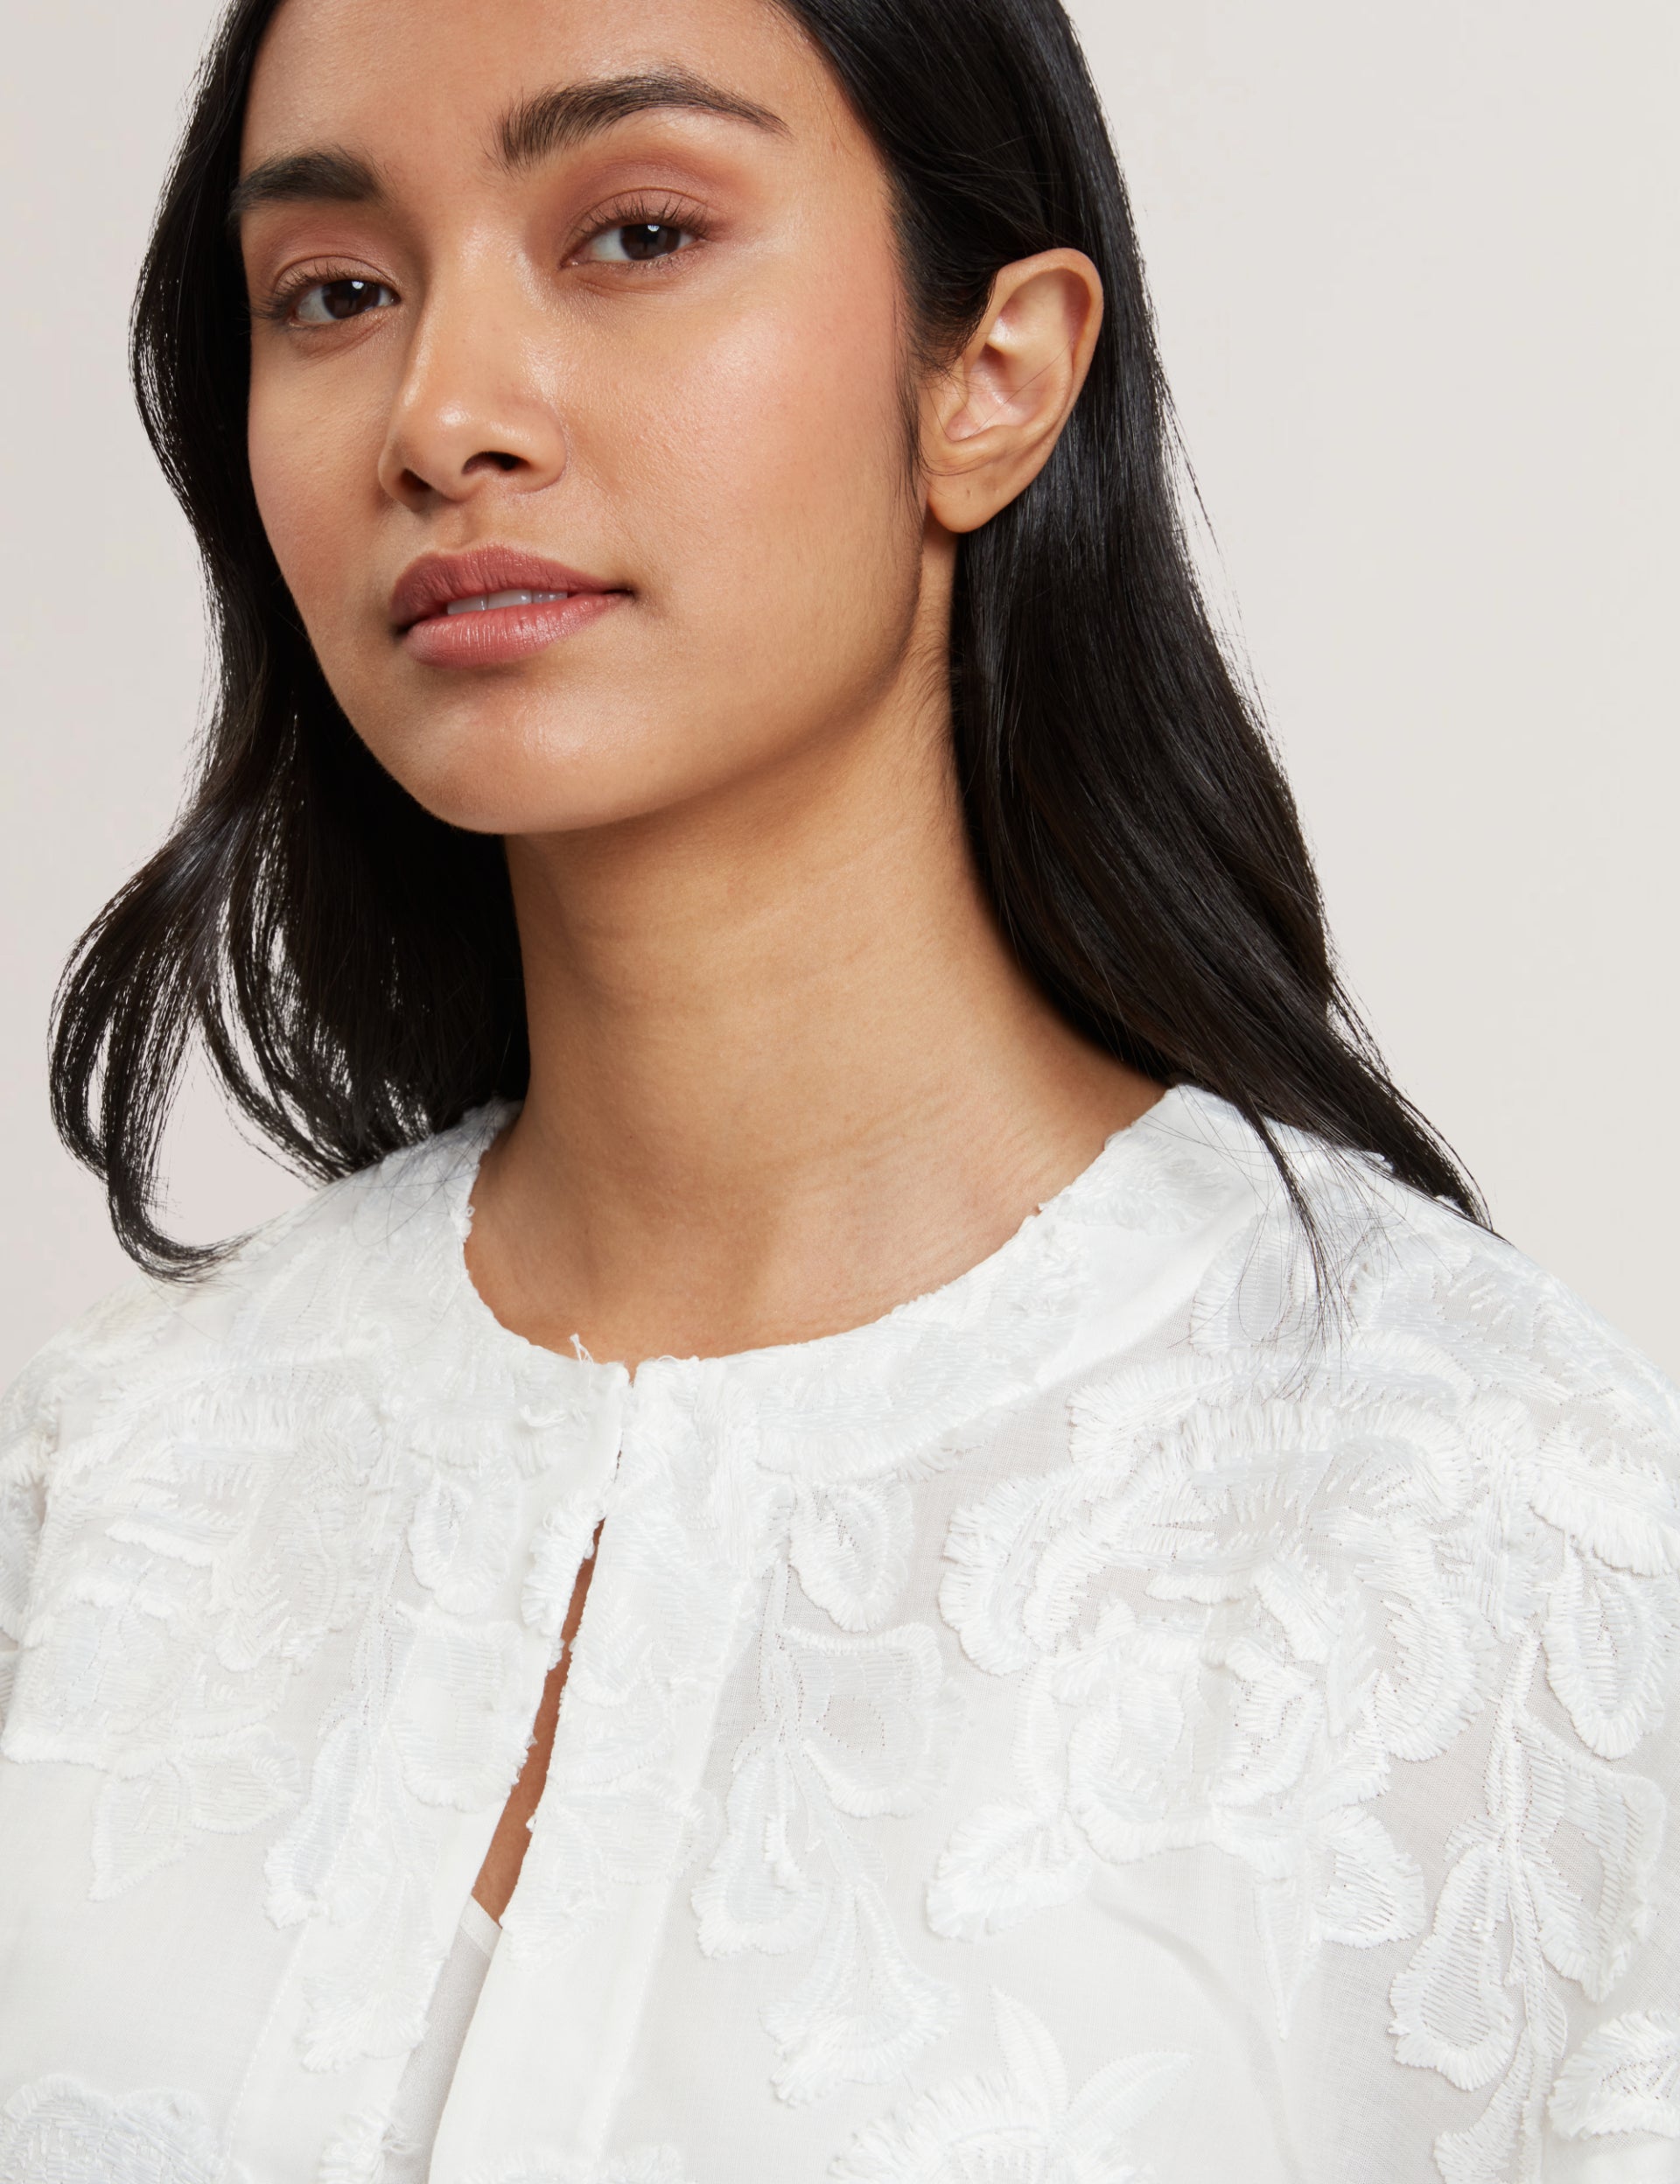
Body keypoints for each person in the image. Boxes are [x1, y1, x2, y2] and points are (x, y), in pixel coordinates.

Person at [0, 0, 1674, 2177]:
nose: (444, 414)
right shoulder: (102, 1507)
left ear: (996, 373)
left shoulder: (1510, 1559)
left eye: (636, 234)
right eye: (334, 291)